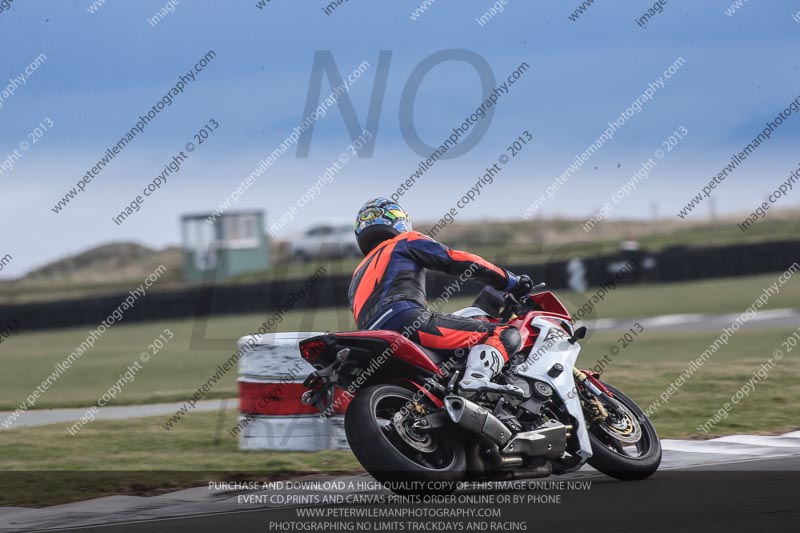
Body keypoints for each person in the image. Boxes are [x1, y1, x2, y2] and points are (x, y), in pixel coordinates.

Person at [348, 197, 533, 396]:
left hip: (369, 338)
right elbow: (457, 260)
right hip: (406, 321)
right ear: (399, 219)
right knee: (505, 334)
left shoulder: (355, 276)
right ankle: (476, 379)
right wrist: (509, 280)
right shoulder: (404, 240)